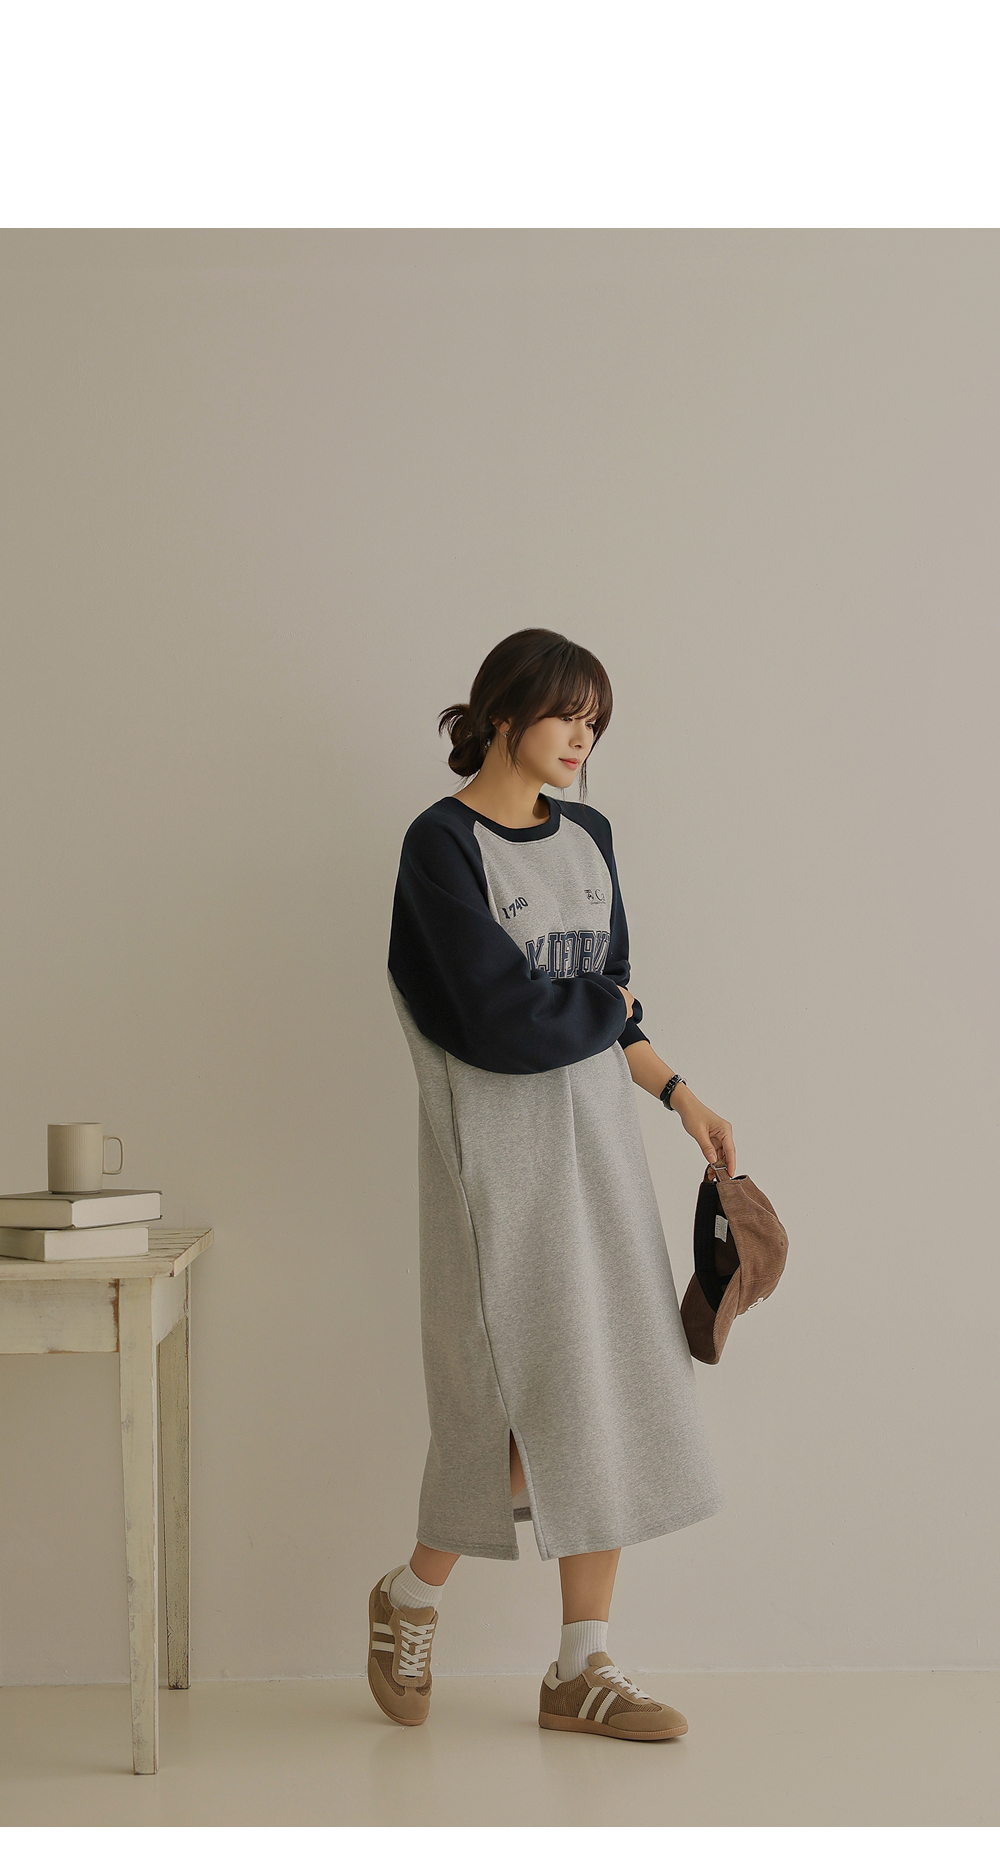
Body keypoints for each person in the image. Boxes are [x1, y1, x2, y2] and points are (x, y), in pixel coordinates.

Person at [369, 623, 732, 1755]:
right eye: (567, 715)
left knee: (606, 1387)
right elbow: (492, 1019)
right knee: (507, 1404)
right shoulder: (440, 846)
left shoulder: (591, 837)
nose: (582, 739)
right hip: (496, 1165)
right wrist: (602, 1010)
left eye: (595, 723)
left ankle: (582, 1666)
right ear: (503, 712)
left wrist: (679, 1095)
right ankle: (409, 1594)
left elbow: (613, 999)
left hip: (600, 1154)